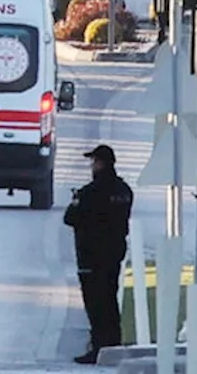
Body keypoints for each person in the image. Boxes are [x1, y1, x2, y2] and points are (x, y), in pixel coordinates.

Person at [64, 145, 134, 364]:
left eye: (93, 162)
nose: (92, 166)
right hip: (113, 254)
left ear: (100, 163)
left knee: (96, 304)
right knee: (110, 300)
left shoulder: (89, 192)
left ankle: (99, 347)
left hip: (91, 256)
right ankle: (112, 344)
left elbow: (70, 218)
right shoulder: (124, 191)